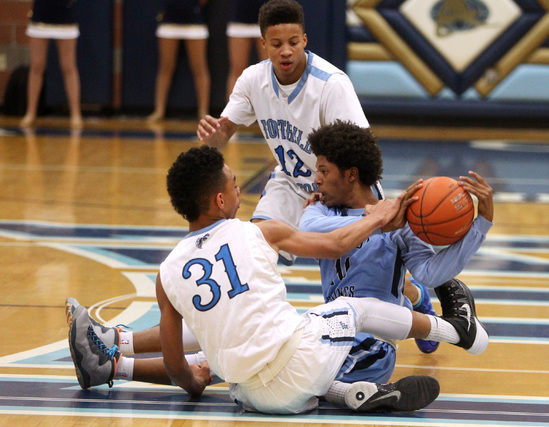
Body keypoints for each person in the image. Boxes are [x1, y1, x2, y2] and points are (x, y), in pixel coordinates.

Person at [66, 145, 489, 414]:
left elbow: (178, 363)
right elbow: (338, 244)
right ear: (220, 199)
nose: (239, 189)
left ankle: (116, 361)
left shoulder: (168, 273)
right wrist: (377, 216)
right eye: (234, 184)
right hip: (301, 363)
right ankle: (457, 332)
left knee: (219, 329)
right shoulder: (257, 231)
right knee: (350, 311)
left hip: (247, 394)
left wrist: (194, 385)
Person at [198, 0, 437, 347]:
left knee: (373, 273)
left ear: (305, 39)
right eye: (277, 44)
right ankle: (250, 332)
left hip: (343, 188)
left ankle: (416, 298)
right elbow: (224, 134)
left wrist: (369, 208)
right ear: (263, 44)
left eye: (293, 42)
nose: (286, 51)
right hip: (291, 184)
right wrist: (213, 137)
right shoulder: (252, 80)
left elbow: (362, 150)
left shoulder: (331, 84)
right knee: (253, 249)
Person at [300, 120, 494, 383]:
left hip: (375, 344)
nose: (316, 178)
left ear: (351, 174)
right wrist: (378, 222)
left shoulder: (401, 225)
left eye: (324, 170)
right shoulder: (320, 210)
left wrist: (480, 226)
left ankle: (414, 297)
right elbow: (309, 229)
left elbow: (430, 272)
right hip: (332, 333)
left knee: (307, 380)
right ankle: (412, 295)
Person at [20, 0, 82, 128]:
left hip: (65, 16)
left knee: (68, 67)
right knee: (37, 67)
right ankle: (31, 112)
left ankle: (75, 114)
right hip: (40, 16)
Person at [147, 0, 211, 122]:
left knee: (199, 68)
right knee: (165, 68)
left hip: (194, 20)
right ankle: (159, 110)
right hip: (169, 20)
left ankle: (203, 111)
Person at [225, 0, 269, 99]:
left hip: (267, 19)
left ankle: (274, 112)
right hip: (239, 19)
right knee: (237, 70)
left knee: (271, 71)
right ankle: (232, 113)